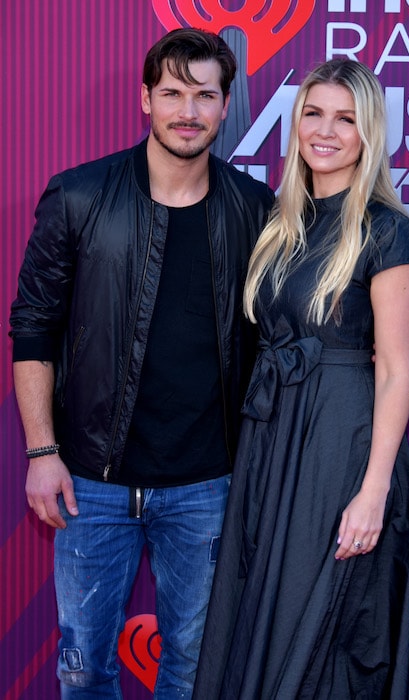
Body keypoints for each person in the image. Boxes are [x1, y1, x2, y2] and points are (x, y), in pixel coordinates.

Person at [9, 28, 274, 699]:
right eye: (173, 93)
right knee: (84, 666)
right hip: (90, 484)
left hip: (207, 487)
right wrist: (42, 451)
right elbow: (32, 329)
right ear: (145, 99)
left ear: (224, 105)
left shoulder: (253, 209)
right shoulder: (77, 196)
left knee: (191, 667)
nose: (188, 110)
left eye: (204, 95)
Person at [193, 59, 409, 699]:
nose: (326, 131)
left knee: (322, 628)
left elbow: (396, 369)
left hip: (339, 450)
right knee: (262, 617)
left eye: (345, 119)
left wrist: (374, 488)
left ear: (368, 133)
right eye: (314, 114)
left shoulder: (389, 232)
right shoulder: (281, 227)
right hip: (274, 444)